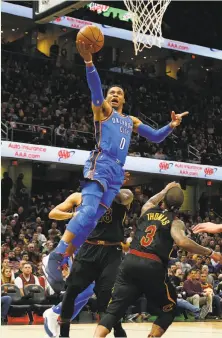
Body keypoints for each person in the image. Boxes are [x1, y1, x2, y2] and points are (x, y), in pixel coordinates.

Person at [46, 39, 189, 283]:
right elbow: (95, 89)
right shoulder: (102, 111)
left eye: (118, 93)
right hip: (100, 162)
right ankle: (55, 255)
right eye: (111, 92)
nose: (113, 95)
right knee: (88, 210)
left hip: (116, 172)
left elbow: (155, 137)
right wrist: (89, 62)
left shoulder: (131, 121)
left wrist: (171, 126)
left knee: (92, 219)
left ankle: (68, 257)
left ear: (123, 99)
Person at [93, 182, 222, 338]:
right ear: (180, 206)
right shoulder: (175, 221)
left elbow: (150, 202)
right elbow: (182, 242)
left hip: (130, 262)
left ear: (163, 200)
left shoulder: (146, 211)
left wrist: (164, 189)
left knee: (113, 311)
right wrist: (210, 252)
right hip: (151, 265)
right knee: (169, 307)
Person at [44, 188, 133, 338]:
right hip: (85, 247)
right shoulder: (79, 197)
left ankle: (117, 329)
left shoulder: (117, 196)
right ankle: (60, 324)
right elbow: (53, 213)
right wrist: (73, 215)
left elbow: (127, 197)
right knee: (74, 290)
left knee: (103, 294)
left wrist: (115, 184)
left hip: (110, 250)